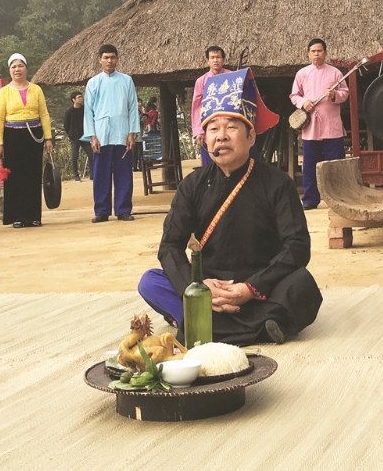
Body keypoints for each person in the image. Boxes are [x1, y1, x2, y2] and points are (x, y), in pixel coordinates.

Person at [138, 67, 322, 345]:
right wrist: (196, 285)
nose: (221, 136)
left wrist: (250, 288)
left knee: (302, 284)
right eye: (213, 129)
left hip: (260, 286)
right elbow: (170, 245)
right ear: (205, 139)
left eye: (231, 127)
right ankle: (262, 325)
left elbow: (296, 246)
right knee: (151, 282)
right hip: (209, 286)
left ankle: (202, 323)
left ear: (251, 137)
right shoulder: (192, 185)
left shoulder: (277, 183)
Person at [0, 53, 53, 228]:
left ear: (26, 68)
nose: (17, 69)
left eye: (20, 66)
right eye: (13, 66)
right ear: (9, 70)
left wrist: (48, 137)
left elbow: (44, 114)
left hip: (34, 136)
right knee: (15, 177)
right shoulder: (3, 92)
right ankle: (17, 216)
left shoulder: (36, 89)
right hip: (12, 135)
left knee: (33, 175)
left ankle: (33, 216)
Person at [82, 44, 140, 223]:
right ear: (100, 60)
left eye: (112, 57)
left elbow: (132, 108)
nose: (109, 61)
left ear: (117, 59)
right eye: (106, 57)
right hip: (101, 135)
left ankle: (123, 209)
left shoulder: (126, 80)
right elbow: (88, 111)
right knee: (101, 173)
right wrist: (92, 136)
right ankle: (101, 210)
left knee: (124, 173)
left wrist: (132, 133)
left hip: (122, 133)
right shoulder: (93, 83)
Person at [290, 38, 349, 210]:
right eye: (313, 51)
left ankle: (338, 199)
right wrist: (303, 103)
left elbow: (344, 93)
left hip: (332, 127)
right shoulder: (302, 73)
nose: (316, 54)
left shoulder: (335, 73)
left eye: (319, 51)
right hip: (311, 127)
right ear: (308, 54)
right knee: (310, 164)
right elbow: (294, 95)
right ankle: (310, 199)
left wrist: (334, 95)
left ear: (325, 53)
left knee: (335, 164)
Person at [191, 46, 232, 166]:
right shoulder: (201, 81)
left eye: (218, 57)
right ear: (207, 61)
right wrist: (198, 131)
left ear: (223, 59)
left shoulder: (232, 77)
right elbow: (197, 107)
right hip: (209, 126)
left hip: (228, 123)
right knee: (209, 165)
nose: (215, 60)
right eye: (212, 58)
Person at [63, 91, 90, 182]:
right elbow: (66, 125)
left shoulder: (85, 110)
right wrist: (70, 135)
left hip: (84, 136)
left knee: (91, 154)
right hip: (74, 137)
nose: (81, 98)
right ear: (73, 100)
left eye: (81, 97)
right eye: (78, 97)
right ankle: (76, 175)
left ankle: (93, 175)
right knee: (74, 156)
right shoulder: (69, 112)